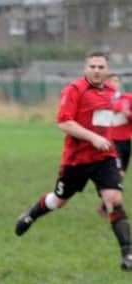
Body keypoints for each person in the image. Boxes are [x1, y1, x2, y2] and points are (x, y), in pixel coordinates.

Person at [15, 51, 132, 271]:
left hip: (104, 158)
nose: (97, 71)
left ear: (107, 70)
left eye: (101, 67)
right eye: (93, 67)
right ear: (85, 68)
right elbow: (64, 123)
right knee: (59, 201)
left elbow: (111, 117)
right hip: (76, 160)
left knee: (114, 200)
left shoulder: (111, 93)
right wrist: (94, 137)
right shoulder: (74, 90)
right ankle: (33, 212)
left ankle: (128, 255)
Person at [97, 73, 132, 217]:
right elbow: (99, 118)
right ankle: (110, 204)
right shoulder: (102, 99)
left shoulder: (128, 98)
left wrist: (128, 114)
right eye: (111, 81)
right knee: (118, 174)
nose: (114, 83)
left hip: (125, 142)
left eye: (117, 81)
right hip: (112, 142)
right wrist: (117, 108)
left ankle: (104, 205)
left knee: (121, 175)